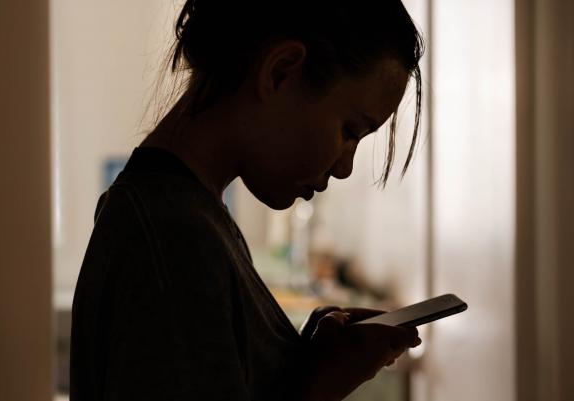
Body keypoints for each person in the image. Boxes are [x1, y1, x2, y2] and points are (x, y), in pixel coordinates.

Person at [71, 1, 425, 400]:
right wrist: (326, 383)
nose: (345, 167)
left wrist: (310, 360)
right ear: (280, 73)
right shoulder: (177, 238)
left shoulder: (185, 216)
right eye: (349, 131)